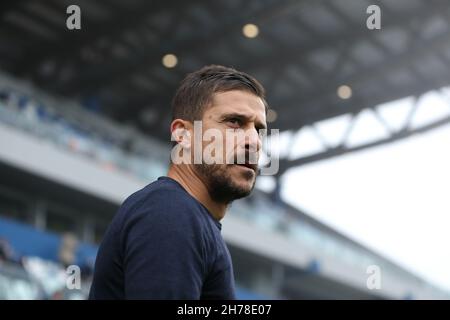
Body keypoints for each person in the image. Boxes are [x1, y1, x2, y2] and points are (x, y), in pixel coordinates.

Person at [89, 65, 268, 299]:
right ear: (183, 134)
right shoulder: (171, 212)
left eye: (259, 130)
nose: (254, 141)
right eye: (234, 122)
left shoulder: (189, 218)